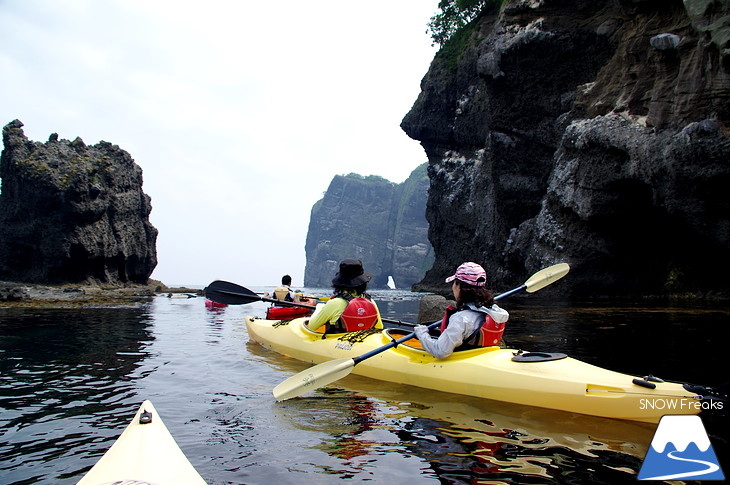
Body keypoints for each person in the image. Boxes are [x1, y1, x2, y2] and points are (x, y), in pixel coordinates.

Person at [415, 262, 509, 359]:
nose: (453, 287)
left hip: (464, 364)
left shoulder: (461, 318)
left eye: (454, 283)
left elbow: (440, 351)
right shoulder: (496, 312)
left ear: (459, 286)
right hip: (485, 359)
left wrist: (422, 334)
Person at [307, 259, 383, 333]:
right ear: (363, 283)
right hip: (365, 341)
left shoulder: (335, 303)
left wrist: (319, 308)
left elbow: (312, 326)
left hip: (338, 343)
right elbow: (379, 327)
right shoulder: (370, 301)